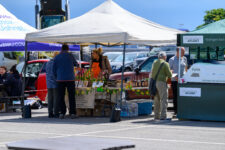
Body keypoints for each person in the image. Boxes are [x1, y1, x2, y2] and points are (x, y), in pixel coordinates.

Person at [53, 44, 78, 119]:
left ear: (61, 49)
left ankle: (62, 113)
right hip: (70, 78)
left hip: (60, 79)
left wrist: (56, 77)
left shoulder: (57, 57)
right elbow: (76, 64)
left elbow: (54, 69)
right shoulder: (70, 56)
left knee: (61, 96)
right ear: (67, 49)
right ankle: (72, 113)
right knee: (71, 96)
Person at [150, 52, 172, 120]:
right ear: (164, 57)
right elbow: (169, 75)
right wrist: (171, 71)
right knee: (163, 99)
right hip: (161, 82)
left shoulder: (154, 62)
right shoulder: (165, 64)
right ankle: (163, 116)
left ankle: (156, 116)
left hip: (154, 82)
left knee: (156, 100)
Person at [169, 47, 187, 116]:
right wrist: (176, 78)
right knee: (176, 96)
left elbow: (185, 69)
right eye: (182, 52)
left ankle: (183, 110)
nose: (184, 53)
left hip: (183, 81)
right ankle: (176, 111)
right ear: (178, 52)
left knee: (183, 96)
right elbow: (170, 71)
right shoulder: (172, 59)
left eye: (184, 52)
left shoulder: (185, 58)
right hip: (175, 81)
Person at [46, 52, 59, 118]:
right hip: (55, 83)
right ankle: (56, 112)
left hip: (49, 83)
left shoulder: (48, 63)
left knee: (50, 99)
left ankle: (50, 113)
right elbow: (56, 74)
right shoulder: (56, 64)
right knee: (56, 98)